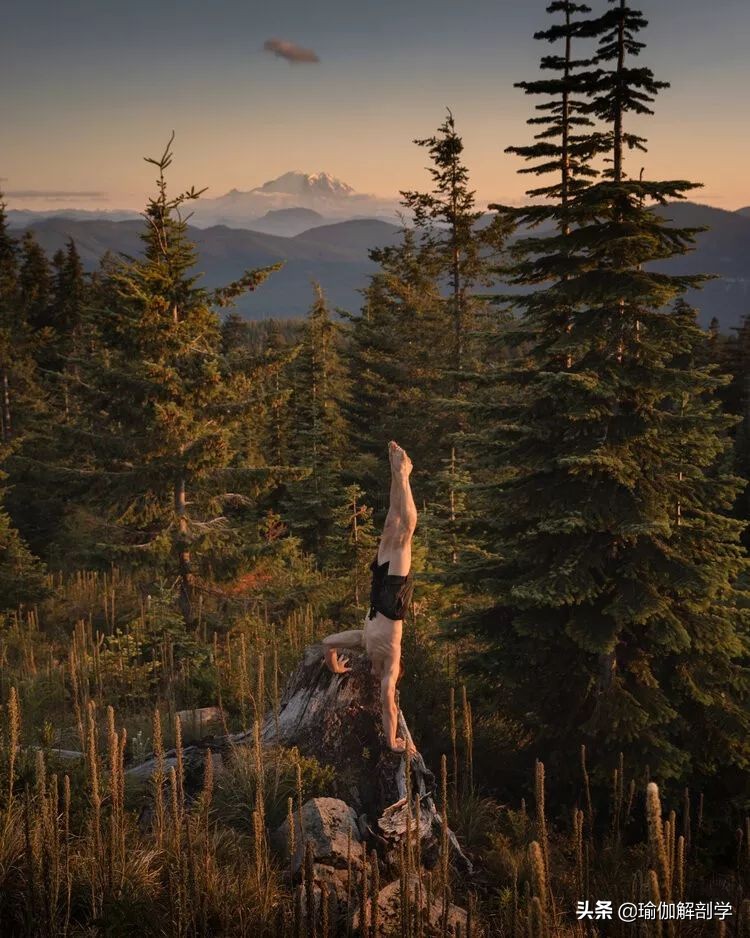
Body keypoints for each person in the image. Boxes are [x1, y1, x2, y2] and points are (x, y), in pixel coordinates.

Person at [321, 440, 417, 752]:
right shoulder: (391, 663)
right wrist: (393, 742)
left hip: (378, 598)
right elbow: (389, 705)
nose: (374, 675)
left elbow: (328, 643)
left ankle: (397, 471)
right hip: (393, 603)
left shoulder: (364, 643)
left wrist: (334, 666)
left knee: (392, 524)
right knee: (404, 534)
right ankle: (402, 474)